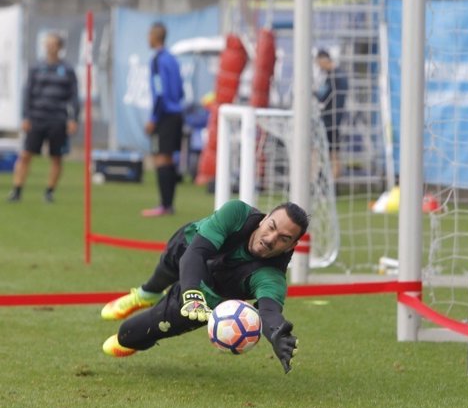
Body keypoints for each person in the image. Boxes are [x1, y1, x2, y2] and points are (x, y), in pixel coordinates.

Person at [101, 199, 309, 374]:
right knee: (163, 274)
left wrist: (276, 334)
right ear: (264, 219)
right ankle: (146, 294)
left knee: (127, 335)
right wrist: (192, 293)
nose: (271, 239)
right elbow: (195, 254)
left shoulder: (271, 276)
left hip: (208, 298)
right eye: (271, 227)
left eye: (284, 239)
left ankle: (142, 321)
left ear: (291, 246)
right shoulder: (237, 213)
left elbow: (269, 310)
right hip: (189, 248)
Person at [7, 32, 79, 203]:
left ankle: (49, 192)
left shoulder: (68, 70)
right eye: (47, 43)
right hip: (37, 117)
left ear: (59, 47)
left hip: (58, 119)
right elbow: (28, 93)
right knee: (25, 154)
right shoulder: (36, 68)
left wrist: (73, 118)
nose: (49, 46)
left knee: (56, 157)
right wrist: (25, 117)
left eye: (53, 43)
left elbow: (74, 96)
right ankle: (17, 190)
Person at [141, 22, 185, 217]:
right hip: (177, 113)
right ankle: (168, 204)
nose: (147, 39)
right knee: (168, 158)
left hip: (165, 114)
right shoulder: (173, 59)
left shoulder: (158, 60)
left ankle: (164, 205)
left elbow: (160, 92)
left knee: (161, 158)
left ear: (154, 36)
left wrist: (153, 118)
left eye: (149, 35)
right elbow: (181, 90)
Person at [314, 49, 348, 179]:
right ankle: (332, 181)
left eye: (318, 63)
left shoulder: (334, 76)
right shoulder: (340, 75)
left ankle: (323, 180)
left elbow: (322, 96)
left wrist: (311, 91)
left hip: (330, 120)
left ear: (324, 60)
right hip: (336, 119)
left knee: (323, 150)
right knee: (334, 151)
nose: (318, 66)